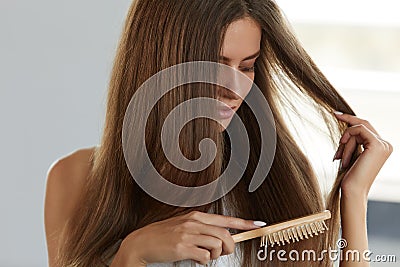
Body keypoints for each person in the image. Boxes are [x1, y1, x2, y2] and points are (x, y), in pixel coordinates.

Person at [44, 0, 393, 266]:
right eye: (215, 65)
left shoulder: (277, 180)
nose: (235, 89)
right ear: (161, 64)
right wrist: (131, 254)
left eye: (247, 66)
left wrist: (355, 196)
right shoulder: (75, 179)